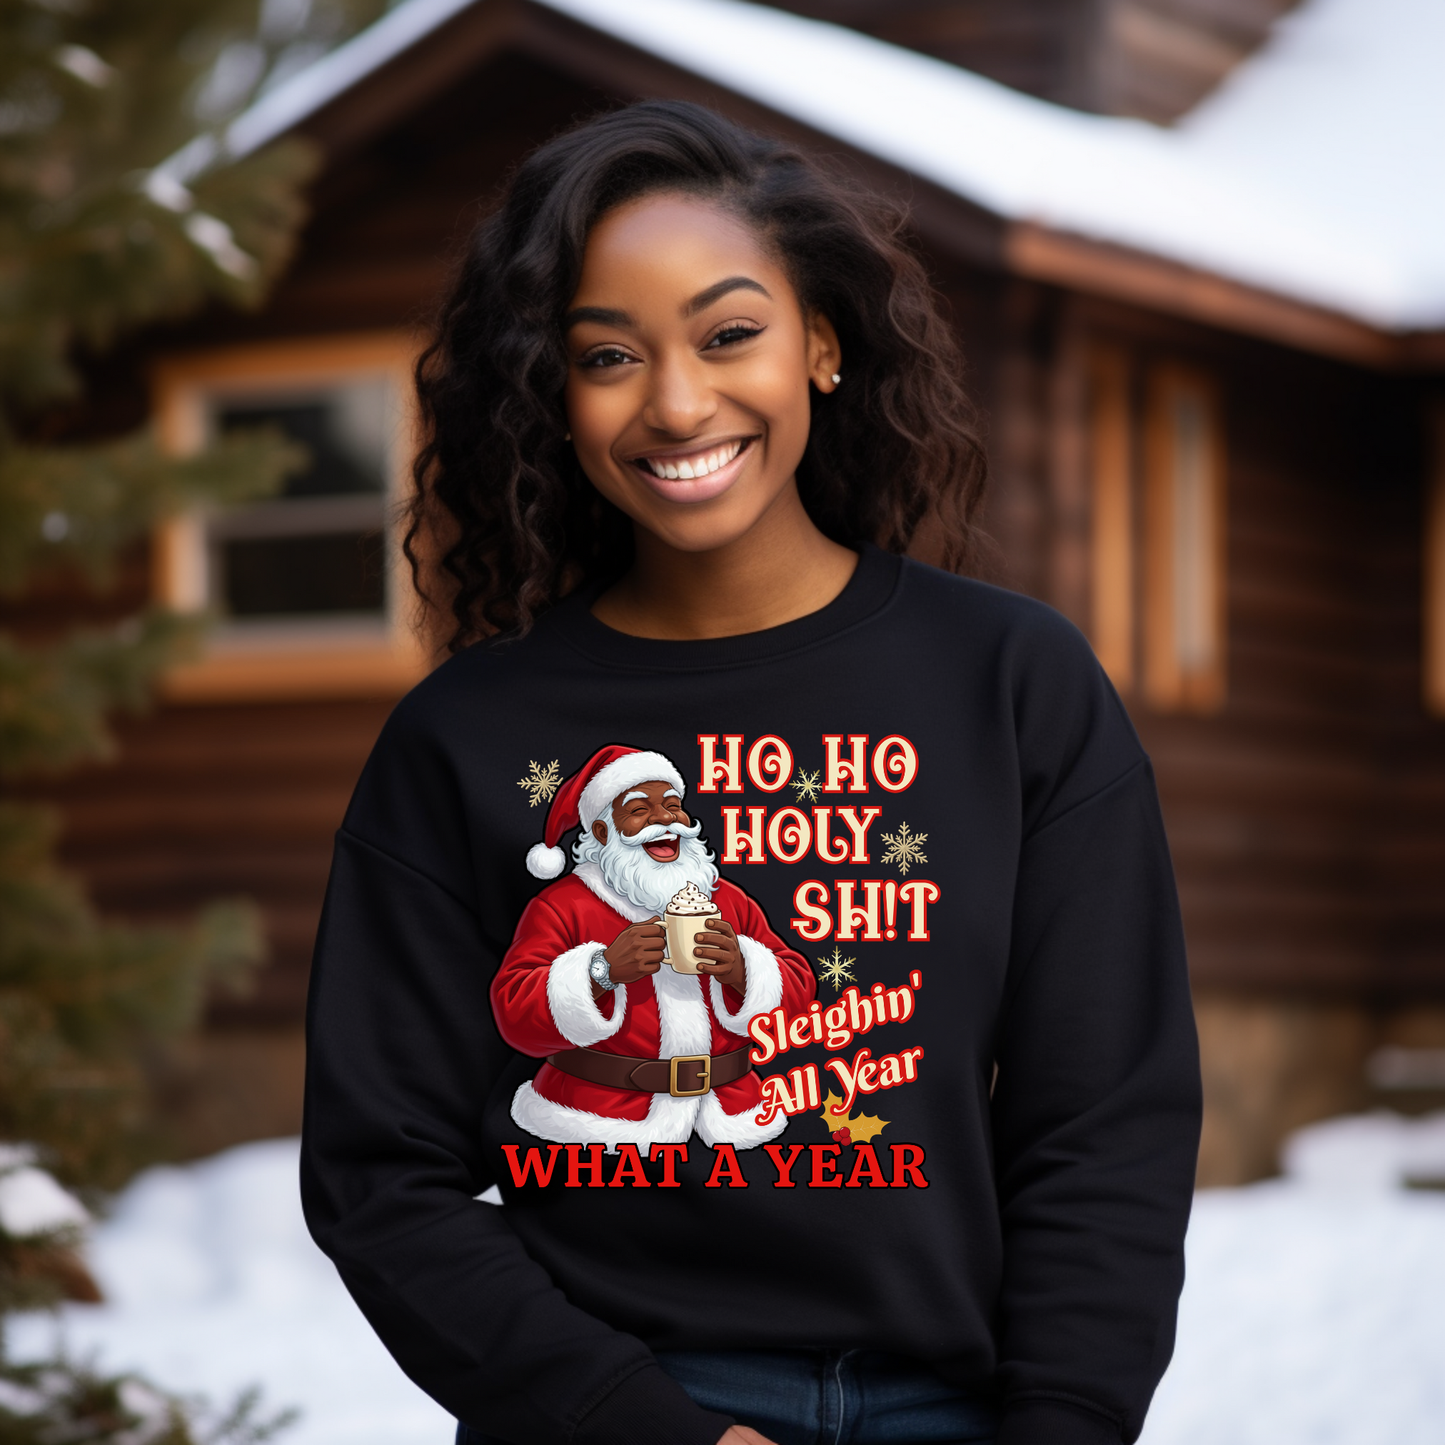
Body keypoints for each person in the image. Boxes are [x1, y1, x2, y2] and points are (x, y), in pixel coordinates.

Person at [300, 100, 1202, 1445]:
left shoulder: (1011, 684)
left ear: (823, 346)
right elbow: (382, 1176)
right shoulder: (466, 738)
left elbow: (1106, 1117)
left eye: (731, 334)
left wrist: (1063, 1420)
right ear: (550, 390)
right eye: (607, 355)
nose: (677, 403)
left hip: (956, 1408)